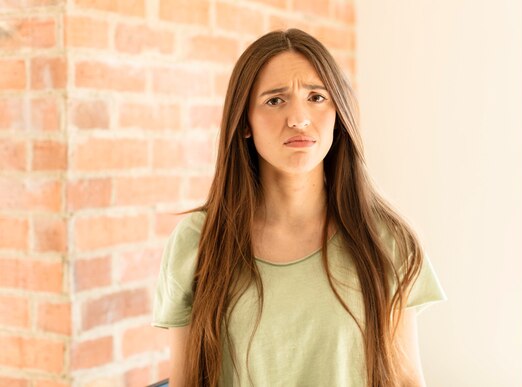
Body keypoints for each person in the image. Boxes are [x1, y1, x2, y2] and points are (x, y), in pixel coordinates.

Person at [151, 28, 446, 387]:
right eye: (275, 101)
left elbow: (405, 379)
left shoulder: (385, 239)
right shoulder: (198, 240)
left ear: (338, 112)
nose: (299, 118)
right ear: (244, 122)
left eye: (316, 97)